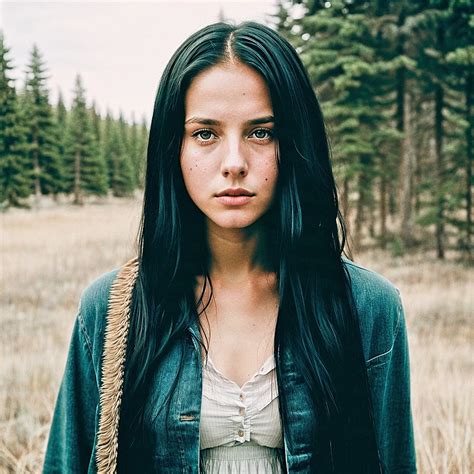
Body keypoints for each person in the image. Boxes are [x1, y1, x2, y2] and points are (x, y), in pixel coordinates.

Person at [43, 21, 416, 473]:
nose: (234, 163)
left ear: (294, 144)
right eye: (206, 134)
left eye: (261, 132)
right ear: (173, 148)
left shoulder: (367, 308)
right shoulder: (112, 310)